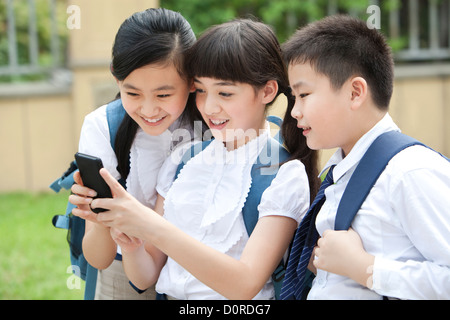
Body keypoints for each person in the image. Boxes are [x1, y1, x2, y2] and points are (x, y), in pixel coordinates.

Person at [75, 18, 320, 300]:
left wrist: (150, 225)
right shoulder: (183, 160)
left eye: (224, 93)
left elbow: (244, 285)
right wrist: (130, 243)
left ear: (267, 91)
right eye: (201, 90)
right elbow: (144, 277)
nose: (208, 106)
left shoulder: (283, 174)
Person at [281, 15, 450, 299]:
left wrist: (365, 268)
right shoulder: (338, 173)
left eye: (304, 94)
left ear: (356, 92)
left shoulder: (409, 171)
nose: (295, 111)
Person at [69, 8, 206, 300]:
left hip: (199, 273)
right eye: (133, 94)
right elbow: (98, 258)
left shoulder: (210, 123)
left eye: (163, 95)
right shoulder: (102, 127)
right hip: (123, 275)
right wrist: (101, 220)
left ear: (193, 80)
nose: (148, 109)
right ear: (116, 78)